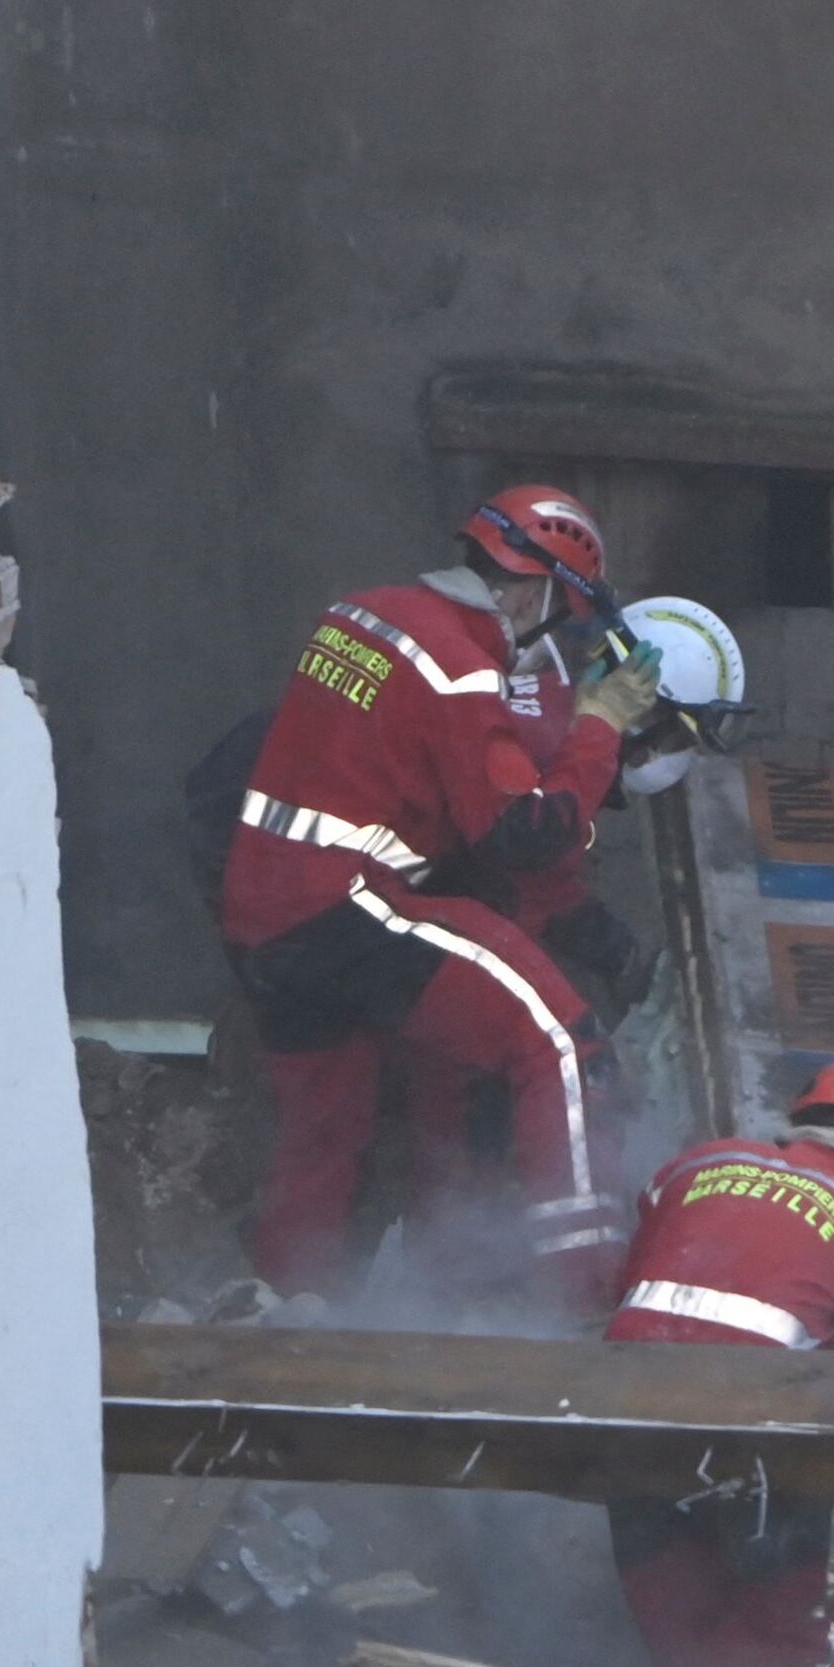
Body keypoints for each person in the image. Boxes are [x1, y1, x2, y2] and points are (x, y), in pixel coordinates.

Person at [209, 486, 663, 1311]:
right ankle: (593, 1302)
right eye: (564, 611)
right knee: (560, 1045)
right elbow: (522, 837)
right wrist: (597, 725)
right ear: (536, 590)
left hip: (262, 912)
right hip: (344, 903)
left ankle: (278, 1315)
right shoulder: (461, 669)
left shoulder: (358, 614)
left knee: (325, 1139)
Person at [600, 1061, 834, 1667]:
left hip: (625, 1401)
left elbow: (632, 1280)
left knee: (657, 1532)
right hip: (754, 1420)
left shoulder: (694, 1164)